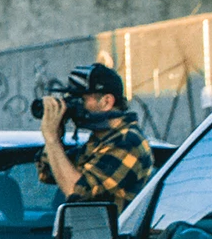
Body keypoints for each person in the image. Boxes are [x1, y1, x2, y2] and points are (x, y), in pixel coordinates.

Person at [37, 63, 156, 212]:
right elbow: (47, 173)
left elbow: (76, 191)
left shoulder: (128, 142)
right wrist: (57, 133)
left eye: (82, 99)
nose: (75, 105)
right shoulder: (99, 141)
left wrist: (52, 139)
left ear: (106, 101)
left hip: (116, 234)